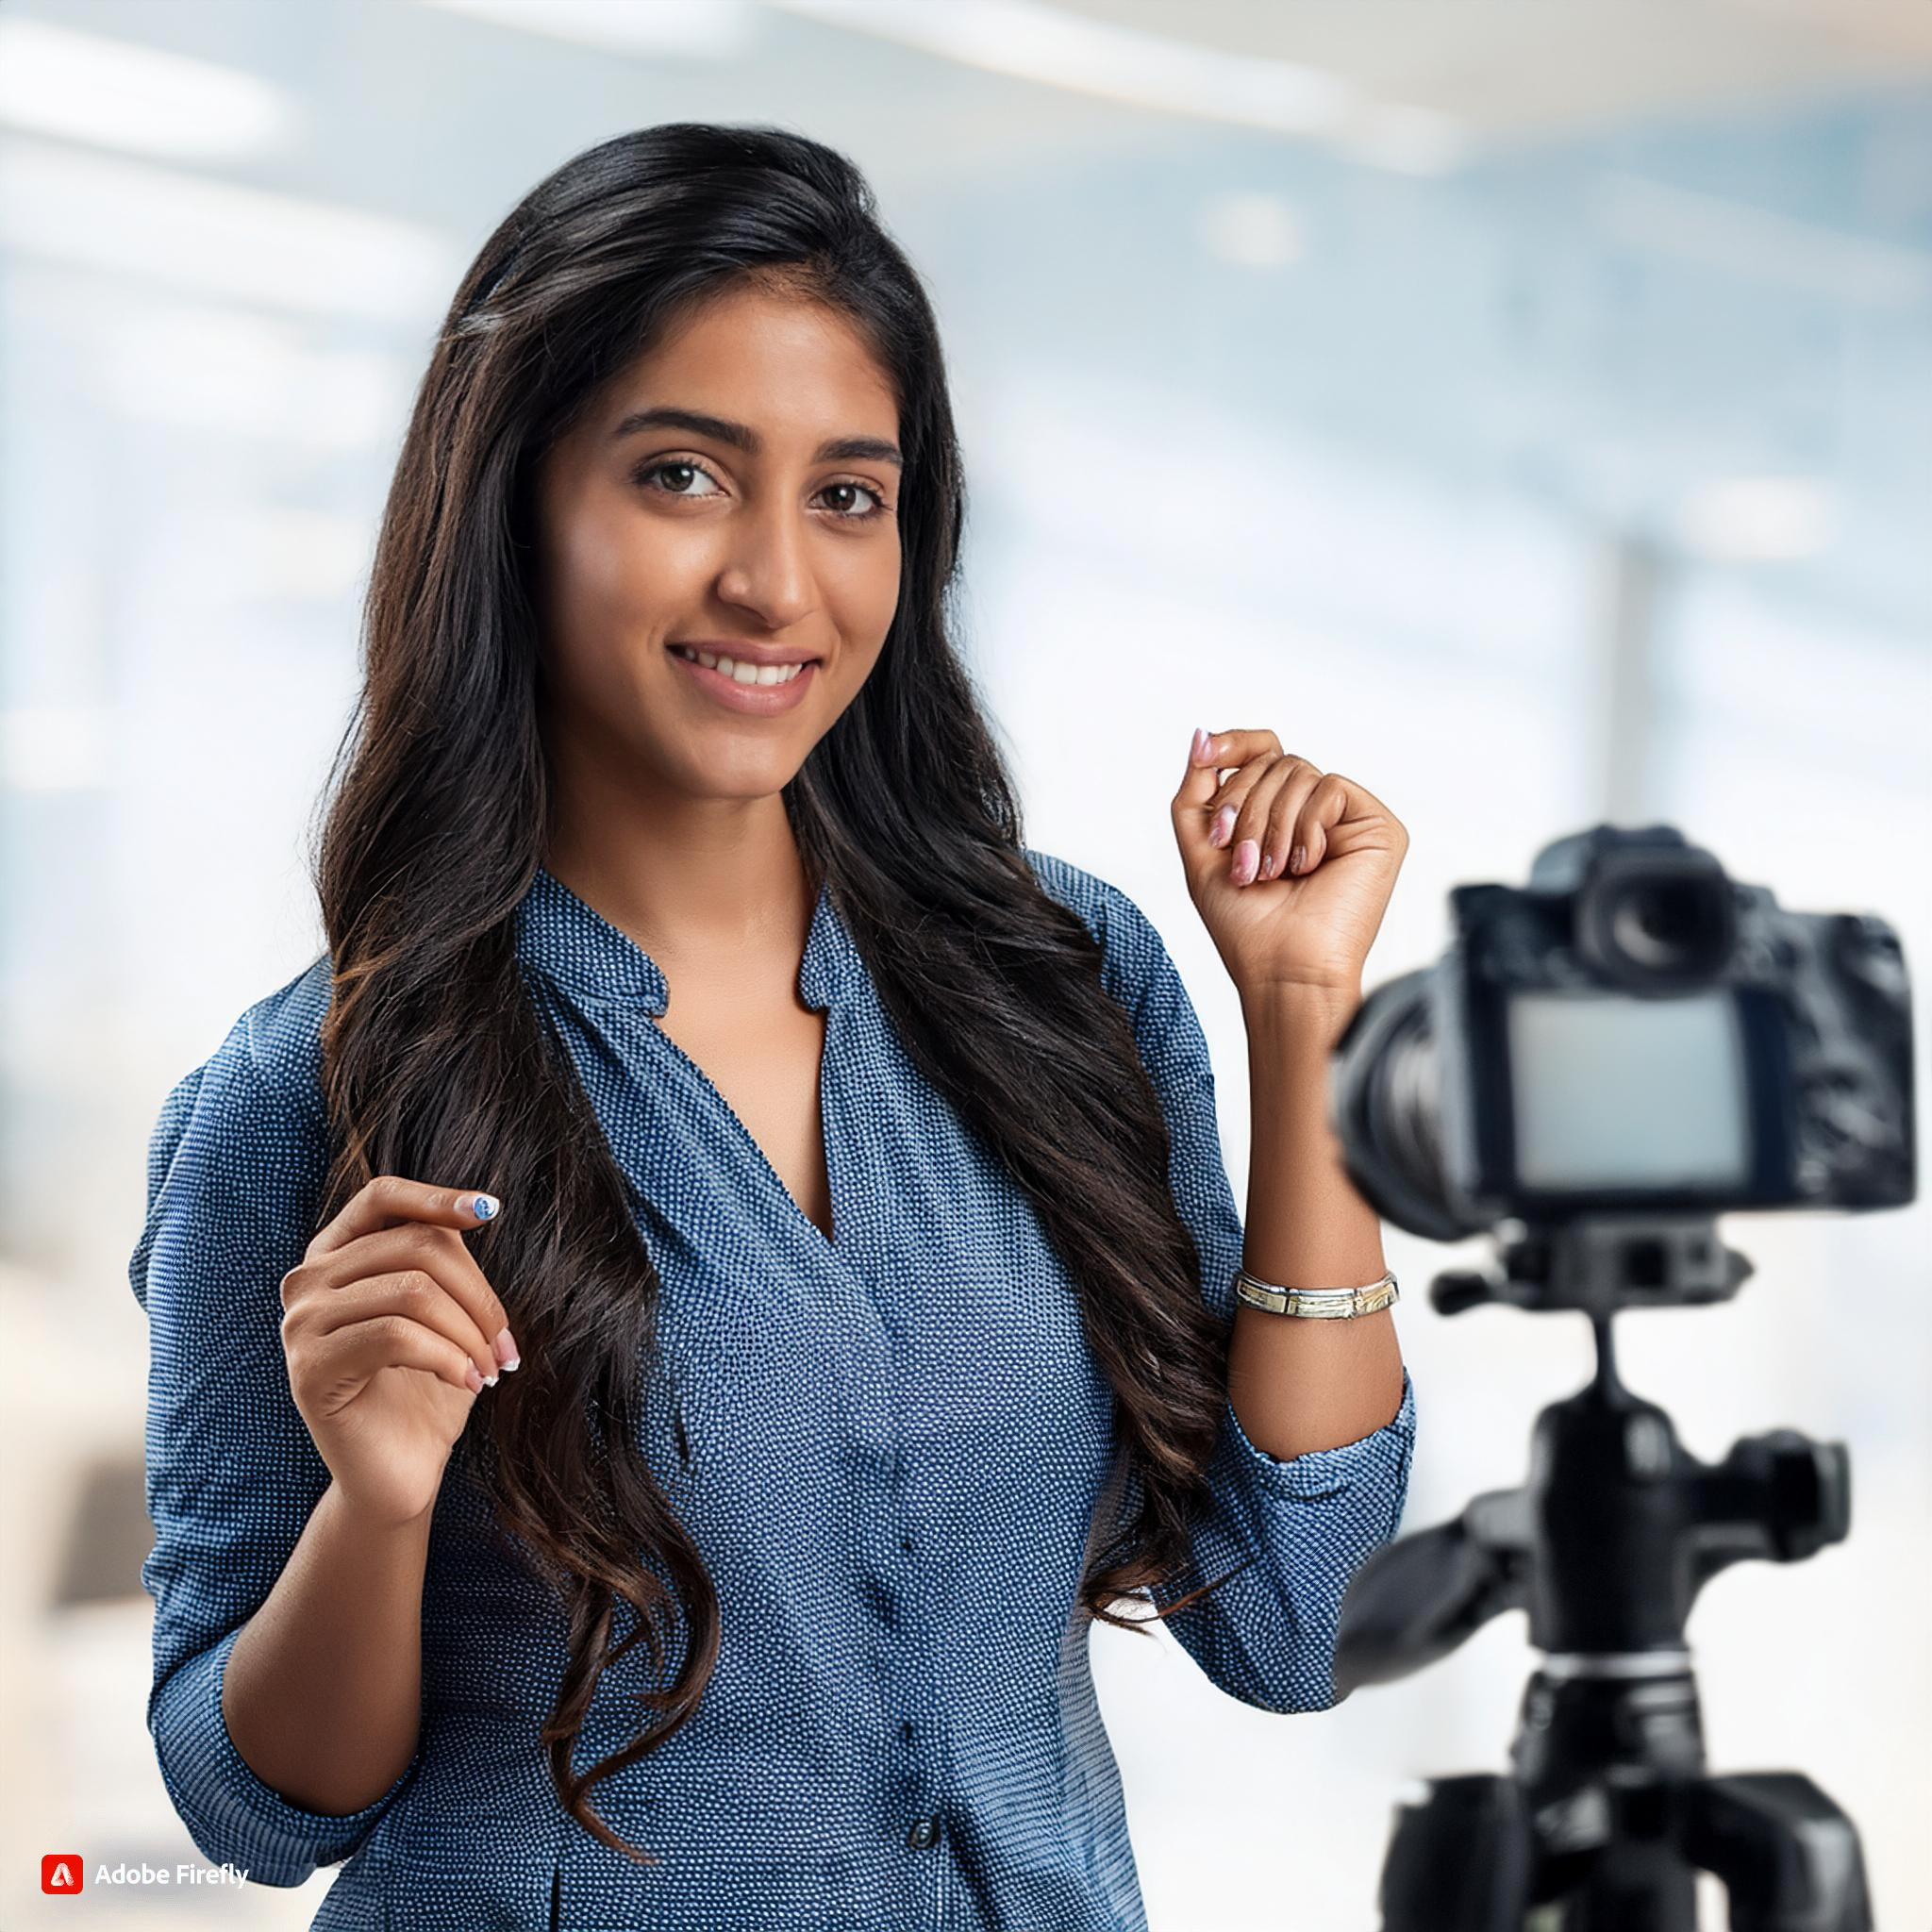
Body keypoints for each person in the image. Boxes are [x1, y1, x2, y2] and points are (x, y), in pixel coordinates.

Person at [127, 122, 1418, 1932]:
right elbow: (252, 1810)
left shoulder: (1060, 981)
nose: (775, 586)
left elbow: (1299, 1615)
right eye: (679, 475)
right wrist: (381, 1505)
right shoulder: (311, 1095)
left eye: (847, 495)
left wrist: (1296, 1012)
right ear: (516, 503)